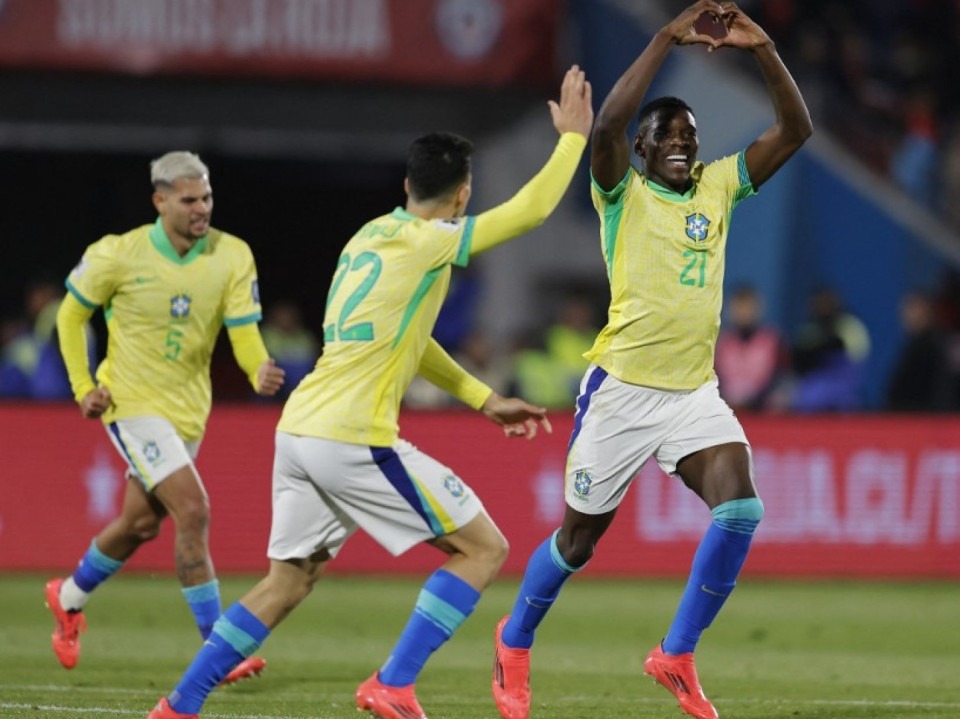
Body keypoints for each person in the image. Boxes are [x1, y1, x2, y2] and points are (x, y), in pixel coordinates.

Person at [144, 64, 593, 719]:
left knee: (287, 580)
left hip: (299, 430)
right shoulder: (430, 242)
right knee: (484, 548)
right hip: (352, 436)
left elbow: (406, 341)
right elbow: (531, 210)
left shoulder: (367, 238)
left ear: (408, 184)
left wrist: (481, 397)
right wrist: (573, 139)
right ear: (462, 194)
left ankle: (181, 703)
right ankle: (394, 681)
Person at [492, 4, 812, 719]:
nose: (680, 144)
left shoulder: (720, 187)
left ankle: (676, 653)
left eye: (690, 137)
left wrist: (760, 48)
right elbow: (604, 127)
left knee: (741, 507)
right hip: (622, 392)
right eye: (665, 135)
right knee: (577, 542)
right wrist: (667, 37)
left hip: (692, 393)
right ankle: (513, 640)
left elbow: (797, 130)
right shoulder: (620, 192)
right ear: (640, 149)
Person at [45, 151, 285, 685]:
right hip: (131, 404)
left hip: (188, 412)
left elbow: (242, 331)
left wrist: (256, 369)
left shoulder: (232, 254)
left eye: (207, 198)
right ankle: (219, 648)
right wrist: (84, 386)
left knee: (140, 523)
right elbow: (69, 315)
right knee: (193, 511)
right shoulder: (117, 255)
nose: (202, 208)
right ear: (160, 201)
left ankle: (67, 597)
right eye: (189, 199)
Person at [714, 284, 788, 411]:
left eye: (748, 307)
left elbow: (781, 378)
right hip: (727, 410)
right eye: (739, 307)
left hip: (762, 411)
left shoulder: (772, 341)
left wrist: (758, 401)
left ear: (758, 308)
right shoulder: (721, 343)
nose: (744, 312)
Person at [885, 290, 952, 412]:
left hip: (921, 420)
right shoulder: (914, 343)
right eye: (905, 310)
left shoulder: (931, 346)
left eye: (912, 309)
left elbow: (938, 391)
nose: (906, 315)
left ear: (925, 311)